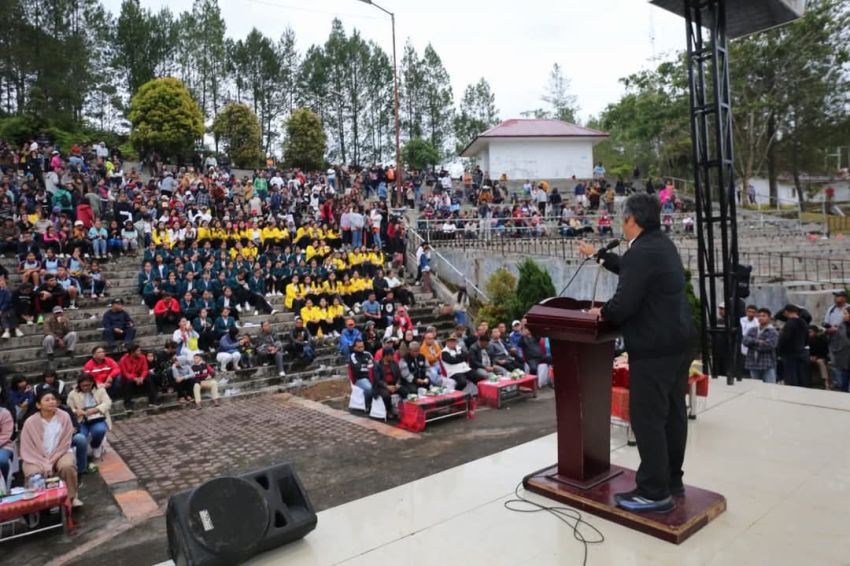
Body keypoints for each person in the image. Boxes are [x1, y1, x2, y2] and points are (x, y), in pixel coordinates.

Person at [579, 192, 692, 513]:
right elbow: (630, 268)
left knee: (647, 418)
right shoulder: (660, 244)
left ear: (631, 220)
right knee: (672, 414)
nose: (621, 225)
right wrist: (597, 255)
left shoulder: (643, 252)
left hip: (654, 348)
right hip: (676, 343)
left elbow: (624, 304)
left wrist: (602, 313)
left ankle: (653, 492)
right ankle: (671, 480)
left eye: (622, 220)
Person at [20, 389, 81, 507]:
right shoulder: (30, 422)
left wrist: (53, 459)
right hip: (36, 456)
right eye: (47, 400)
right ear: (38, 405)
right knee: (34, 473)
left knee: (67, 466)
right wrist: (43, 462)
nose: (51, 402)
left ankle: (71, 498)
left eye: (53, 399)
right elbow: (27, 448)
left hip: (60, 452)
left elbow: (65, 442)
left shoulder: (64, 416)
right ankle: (39, 504)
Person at [67, 373, 112, 466]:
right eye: (83, 386)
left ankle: (96, 445)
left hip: (97, 418)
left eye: (88, 385)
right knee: (81, 436)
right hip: (81, 419)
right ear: (79, 385)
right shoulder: (73, 394)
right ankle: (82, 457)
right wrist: (76, 411)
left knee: (99, 430)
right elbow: (69, 408)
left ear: (92, 383)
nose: (86, 388)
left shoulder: (100, 390)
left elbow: (108, 403)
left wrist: (96, 409)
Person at [742, 308, 779, 383]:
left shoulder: (772, 331)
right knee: (755, 387)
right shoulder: (753, 330)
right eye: (759, 316)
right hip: (753, 363)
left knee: (770, 387)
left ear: (769, 318)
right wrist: (759, 342)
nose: (761, 318)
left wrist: (752, 345)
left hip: (767, 364)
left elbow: (770, 346)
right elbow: (745, 341)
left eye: (763, 316)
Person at [777, 304, 809, 387]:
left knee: (791, 375)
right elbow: (806, 338)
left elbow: (785, 338)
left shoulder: (789, 323)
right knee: (801, 374)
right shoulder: (804, 322)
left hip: (789, 353)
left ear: (787, 312)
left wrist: (779, 351)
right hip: (801, 351)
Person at [119, 343, 158, 410]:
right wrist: (134, 378)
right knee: (128, 382)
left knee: (149, 378)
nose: (140, 352)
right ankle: (127, 403)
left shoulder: (142, 357)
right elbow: (125, 373)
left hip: (140, 377)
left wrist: (142, 378)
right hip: (131, 378)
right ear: (132, 352)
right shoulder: (123, 359)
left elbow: (145, 370)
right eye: (138, 351)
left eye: (140, 350)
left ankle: (152, 401)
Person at [824, 290, 848, 388]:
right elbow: (826, 323)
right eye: (836, 296)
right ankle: (838, 382)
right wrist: (829, 329)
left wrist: (838, 328)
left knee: (844, 362)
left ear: (844, 298)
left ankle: (843, 384)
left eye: (839, 296)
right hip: (833, 339)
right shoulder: (831, 309)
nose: (836, 298)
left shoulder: (848, 309)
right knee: (834, 361)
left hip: (845, 340)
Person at [349, 339, 375, 403]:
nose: (361, 349)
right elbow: (358, 369)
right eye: (359, 347)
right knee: (369, 388)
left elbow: (375, 365)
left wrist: (364, 366)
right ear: (355, 348)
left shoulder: (368, 354)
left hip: (373, 376)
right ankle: (367, 404)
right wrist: (368, 365)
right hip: (360, 379)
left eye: (362, 347)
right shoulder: (353, 356)